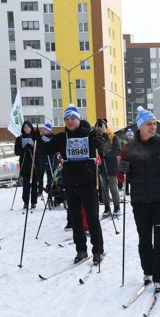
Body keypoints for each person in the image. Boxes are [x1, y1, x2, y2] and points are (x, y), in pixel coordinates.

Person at [118, 107, 160, 292]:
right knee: (144, 238)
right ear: (140, 126)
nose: (153, 127)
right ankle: (148, 271)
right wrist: (121, 170)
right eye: (149, 124)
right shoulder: (129, 147)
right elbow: (121, 178)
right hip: (139, 200)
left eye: (154, 124)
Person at [40, 104, 105, 264]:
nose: (70, 121)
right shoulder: (61, 137)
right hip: (70, 183)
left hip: (88, 183)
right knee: (75, 219)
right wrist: (41, 138)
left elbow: (102, 148)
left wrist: (99, 137)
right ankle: (81, 250)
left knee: (92, 218)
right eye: (67, 119)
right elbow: (46, 150)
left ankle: (98, 250)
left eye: (72, 118)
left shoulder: (88, 134)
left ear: (78, 119)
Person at [96, 119, 122, 216]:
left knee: (113, 188)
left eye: (101, 126)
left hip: (112, 166)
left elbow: (118, 150)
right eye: (98, 127)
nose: (99, 129)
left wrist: (107, 153)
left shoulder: (113, 136)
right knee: (104, 188)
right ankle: (107, 207)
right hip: (102, 167)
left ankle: (117, 207)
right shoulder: (96, 137)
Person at [14, 121, 41, 209]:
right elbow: (17, 152)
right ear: (23, 129)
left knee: (34, 185)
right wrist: (24, 149)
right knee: (26, 185)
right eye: (25, 127)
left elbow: (41, 151)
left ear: (31, 128)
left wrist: (33, 148)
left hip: (34, 164)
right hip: (25, 164)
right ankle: (26, 201)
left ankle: (33, 202)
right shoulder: (19, 139)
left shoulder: (35, 138)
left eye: (28, 127)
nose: (27, 129)